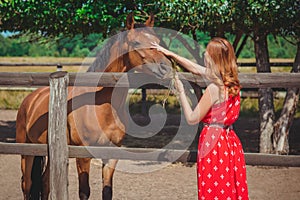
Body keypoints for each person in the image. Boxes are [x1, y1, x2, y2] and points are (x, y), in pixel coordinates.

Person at [151, 37, 249, 200]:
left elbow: (191, 118)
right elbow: (196, 69)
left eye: (208, 51)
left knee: (214, 189)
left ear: (214, 58)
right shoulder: (231, 82)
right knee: (229, 188)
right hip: (230, 142)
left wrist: (180, 91)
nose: (204, 53)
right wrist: (171, 55)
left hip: (213, 143)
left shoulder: (213, 89)